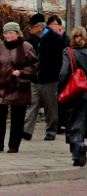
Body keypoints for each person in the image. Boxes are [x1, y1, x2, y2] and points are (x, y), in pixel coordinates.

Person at [57, 26, 87, 167]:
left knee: (72, 120)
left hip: (74, 88)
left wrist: (60, 88)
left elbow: (64, 72)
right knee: (84, 120)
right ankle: (78, 148)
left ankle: (77, 147)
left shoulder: (68, 52)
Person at [23, 13, 66, 141]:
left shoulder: (54, 39)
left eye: (32, 26)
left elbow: (63, 56)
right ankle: (26, 131)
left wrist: (58, 73)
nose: (30, 28)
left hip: (50, 78)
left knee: (50, 106)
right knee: (31, 104)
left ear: (40, 27)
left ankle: (51, 131)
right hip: (34, 78)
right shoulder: (31, 40)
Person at [0, 23, 40, 153]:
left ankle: (13, 145)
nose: (7, 35)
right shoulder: (1, 47)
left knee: (17, 118)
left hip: (19, 86)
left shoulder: (26, 47)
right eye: (6, 33)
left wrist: (21, 72)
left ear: (17, 33)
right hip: (2, 87)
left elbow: (35, 66)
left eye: (10, 33)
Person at [46, 15, 69, 133]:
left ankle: (63, 122)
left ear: (60, 26)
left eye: (54, 24)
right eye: (50, 24)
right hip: (52, 73)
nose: (51, 26)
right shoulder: (46, 39)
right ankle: (57, 123)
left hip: (63, 72)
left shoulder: (66, 39)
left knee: (62, 98)